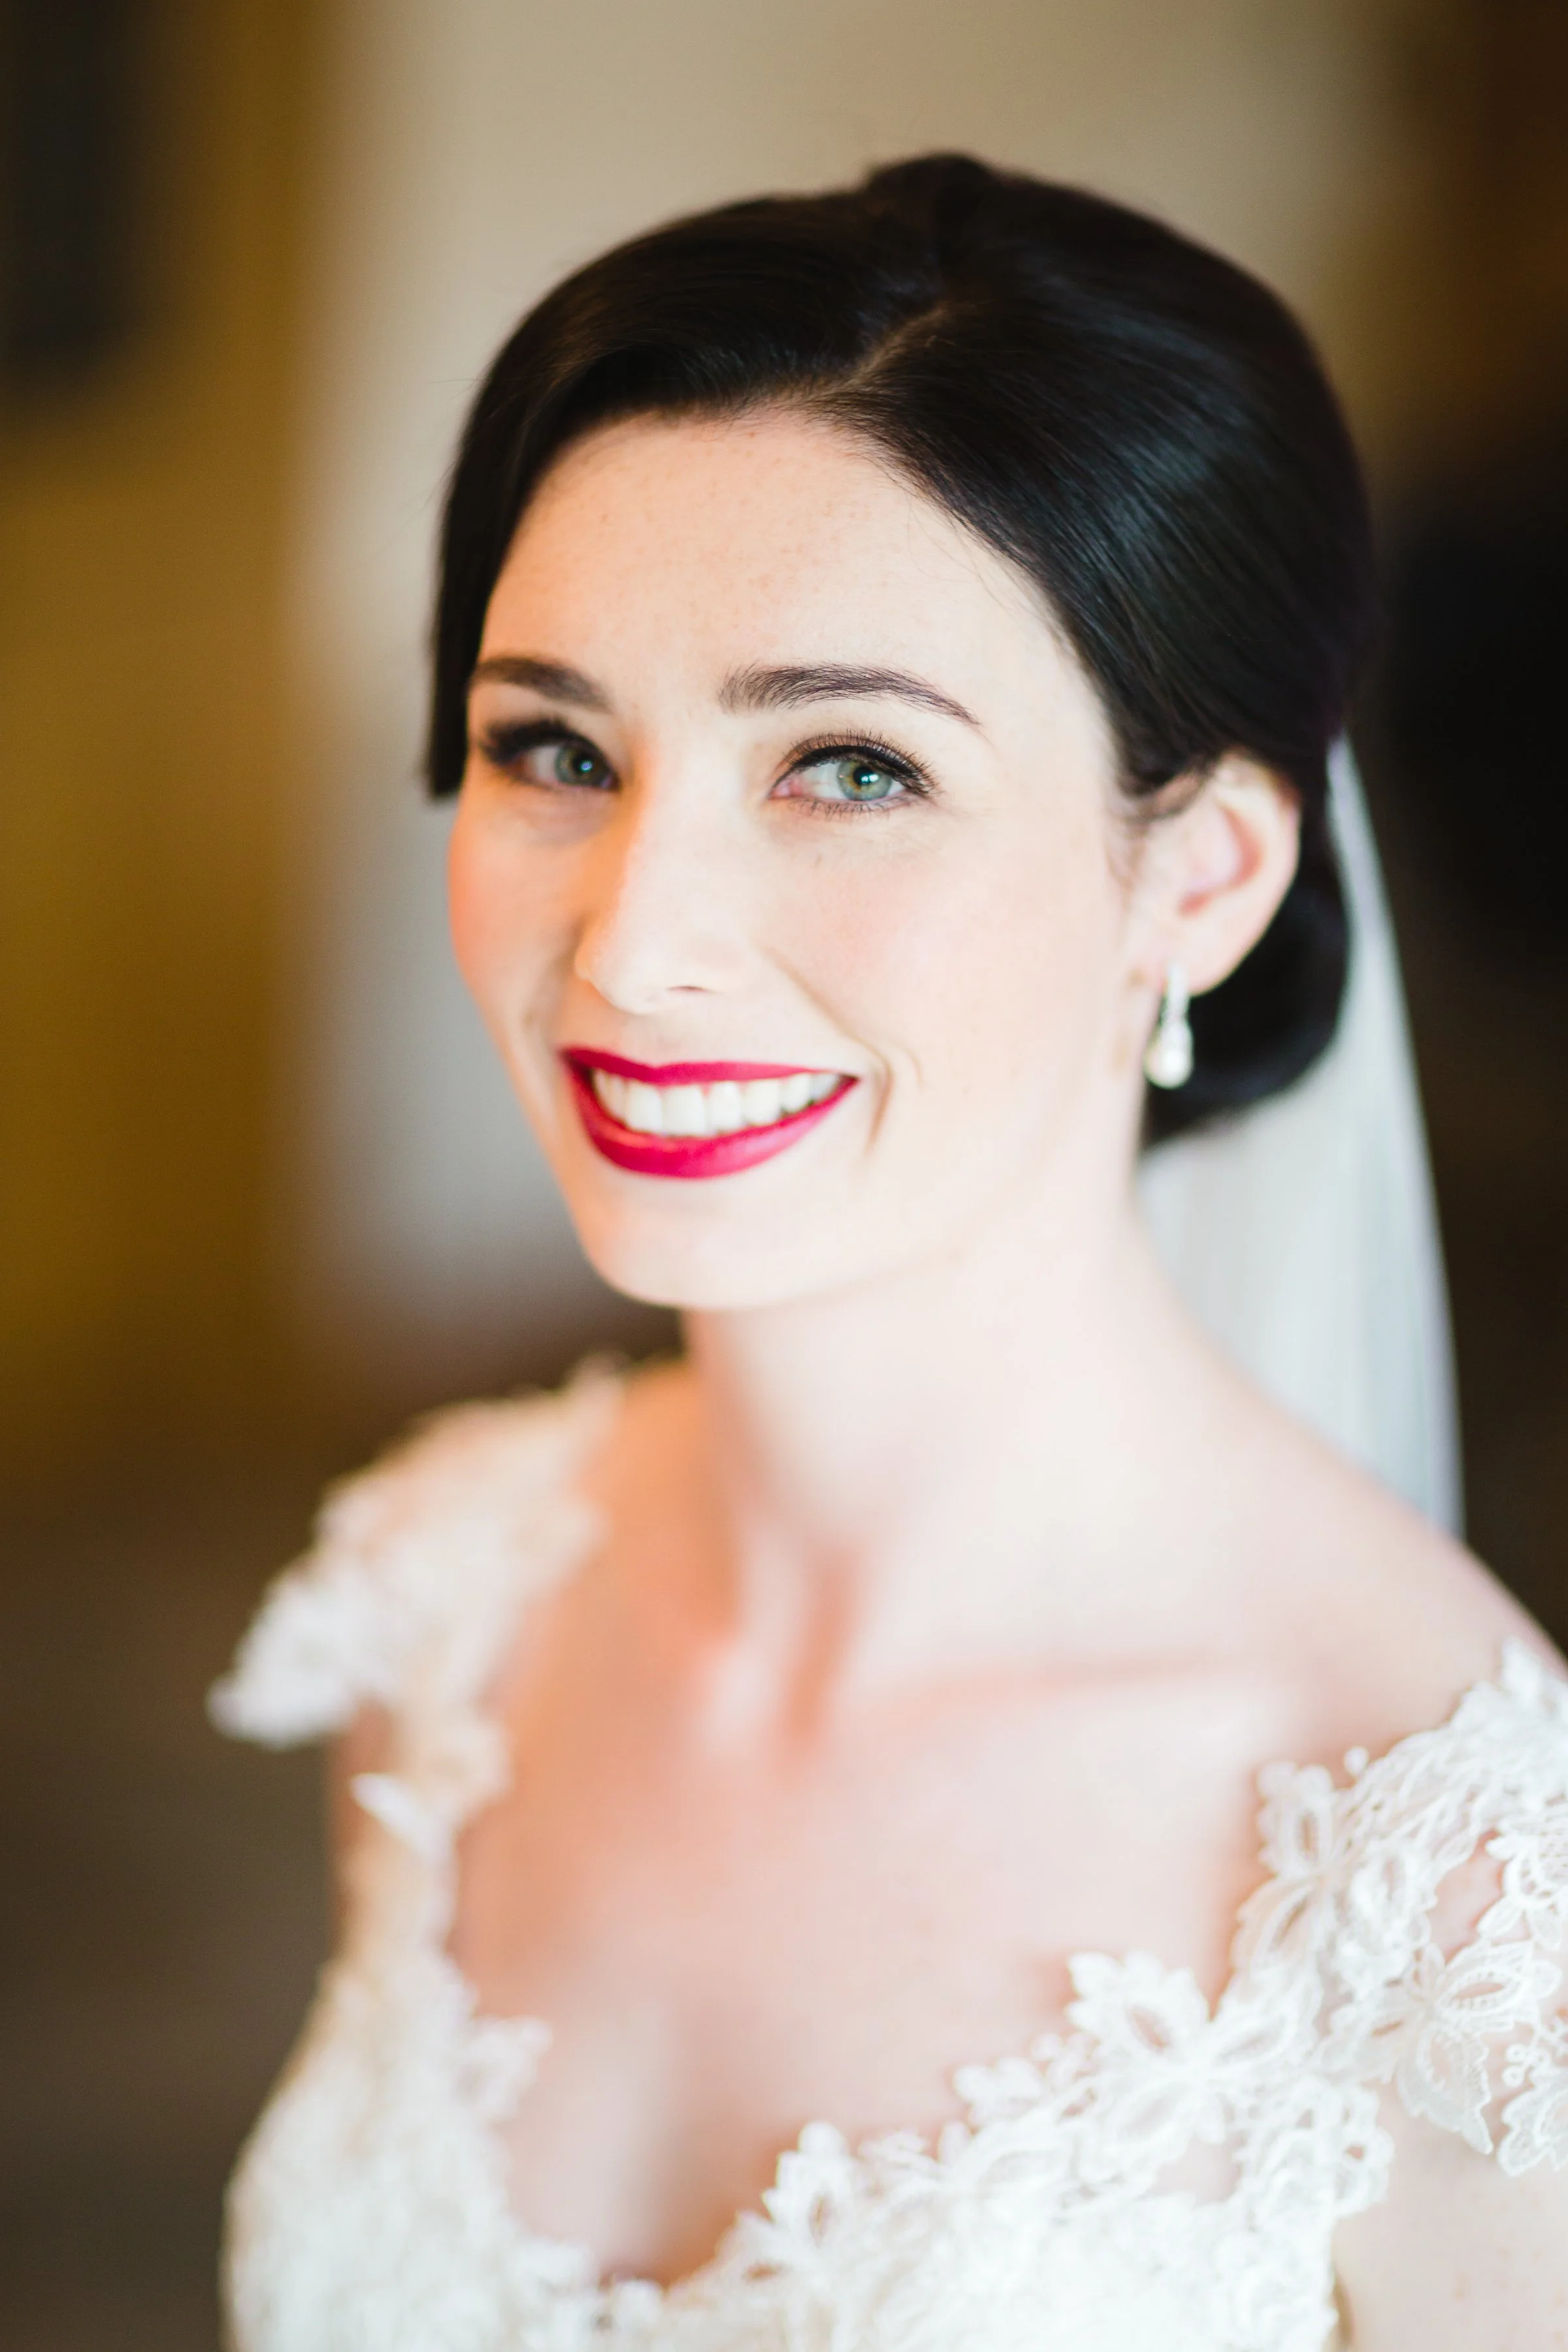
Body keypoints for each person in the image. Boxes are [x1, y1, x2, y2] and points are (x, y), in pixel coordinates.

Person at [212, 156, 1568, 2351]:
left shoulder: (1472, 1915)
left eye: (850, 768)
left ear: (1203, 876)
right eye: (555, 747)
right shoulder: (451, 1606)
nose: (633, 946)